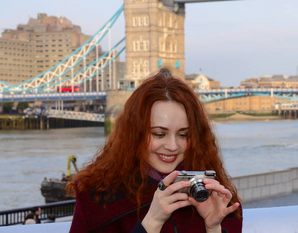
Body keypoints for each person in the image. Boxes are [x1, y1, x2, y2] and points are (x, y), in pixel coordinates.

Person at [67, 69, 242, 233]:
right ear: (135, 134)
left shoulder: (216, 198)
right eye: (159, 134)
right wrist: (152, 222)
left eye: (183, 135)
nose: (172, 146)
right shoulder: (97, 197)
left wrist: (213, 228)